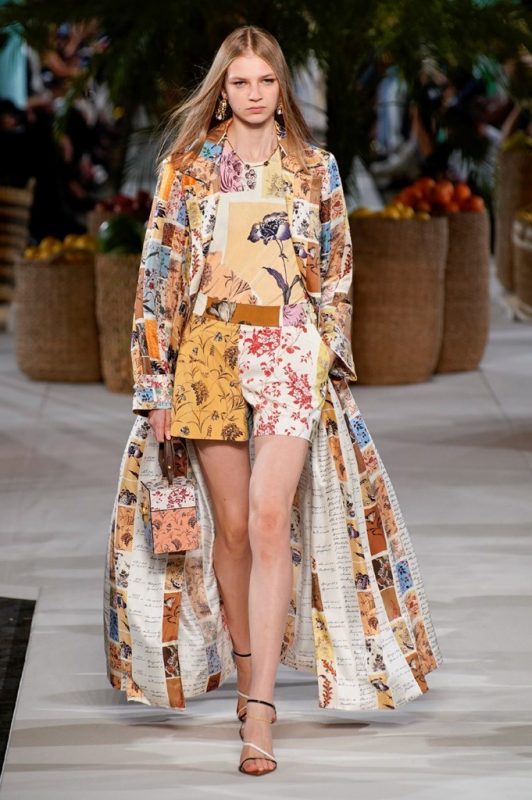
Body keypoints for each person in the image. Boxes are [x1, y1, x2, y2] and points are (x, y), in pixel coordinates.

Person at [103, 24, 442, 778]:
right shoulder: (187, 169)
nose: (253, 94)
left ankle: (260, 708)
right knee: (228, 528)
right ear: (222, 91)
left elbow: (338, 268)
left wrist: (324, 355)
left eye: (264, 81)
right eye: (239, 82)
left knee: (265, 518)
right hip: (207, 351)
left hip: (287, 346)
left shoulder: (316, 169)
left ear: (281, 86)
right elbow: (157, 277)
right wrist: (155, 383)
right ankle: (249, 661)